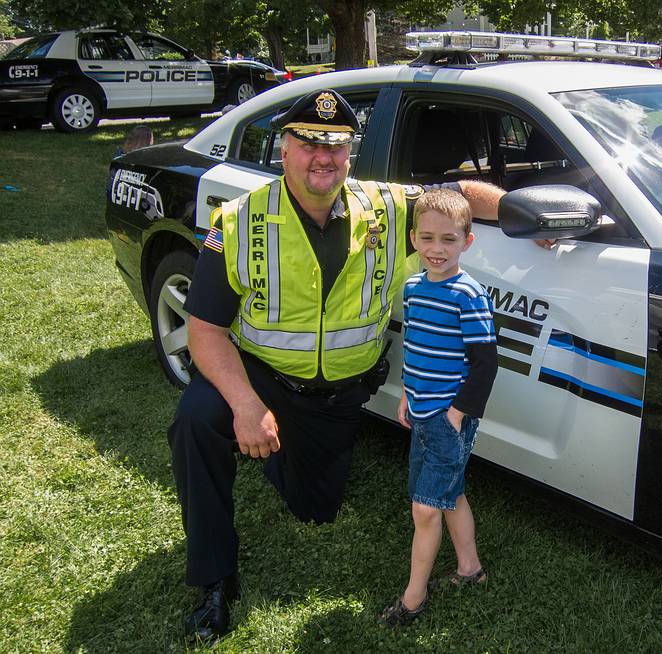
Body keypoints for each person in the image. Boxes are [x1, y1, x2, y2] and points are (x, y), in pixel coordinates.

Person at [167, 89, 506, 642]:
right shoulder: (238, 221)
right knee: (196, 420)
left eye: (336, 145)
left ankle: (282, 453)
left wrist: (521, 213)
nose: (323, 156)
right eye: (308, 143)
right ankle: (214, 579)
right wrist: (247, 407)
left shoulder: (385, 207)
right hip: (266, 378)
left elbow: (460, 191)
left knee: (315, 508)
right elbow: (205, 331)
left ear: (349, 152)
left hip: (339, 397)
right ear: (284, 149)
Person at [380, 189, 498, 626]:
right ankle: (471, 569)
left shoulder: (469, 295)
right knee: (447, 496)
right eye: (427, 238)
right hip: (422, 412)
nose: (436, 249)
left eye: (448, 239)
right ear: (413, 239)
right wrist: (408, 395)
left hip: (450, 419)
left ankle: (413, 598)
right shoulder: (412, 289)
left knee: (425, 507)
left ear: (467, 241)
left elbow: (485, 363)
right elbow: (416, 348)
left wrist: (457, 413)